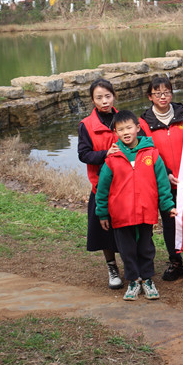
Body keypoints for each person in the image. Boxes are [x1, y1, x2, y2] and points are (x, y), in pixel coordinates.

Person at [95, 110, 177, 301]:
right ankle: (133, 280)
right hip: (121, 215)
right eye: (121, 129)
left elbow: (162, 184)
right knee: (127, 250)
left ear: (138, 128)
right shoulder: (112, 159)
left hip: (145, 212)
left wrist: (168, 205)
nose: (126, 132)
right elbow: (103, 189)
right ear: (115, 132)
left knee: (146, 248)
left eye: (129, 128)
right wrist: (102, 213)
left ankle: (147, 279)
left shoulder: (152, 154)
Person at [140, 76, 183, 283]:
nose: (163, 97)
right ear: (150, 97)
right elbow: (147, 150)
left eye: (166, 92)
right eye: (157, 93)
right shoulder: (143, 122)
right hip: (163, 179)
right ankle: (175, 261)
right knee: (169, 221)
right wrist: (165, 172)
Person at [77, 78, 123, 290]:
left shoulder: (124, 119)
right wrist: (106, 154)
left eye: (107, 96)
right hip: (101, 187)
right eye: (99, 98)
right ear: (92, 100)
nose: (104, 101)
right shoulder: (86, 125)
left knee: (130, 227)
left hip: (126, 185)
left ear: (114, 96)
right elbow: (84, 154)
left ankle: (134, 264)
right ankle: (112, 267)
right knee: (104, 230)